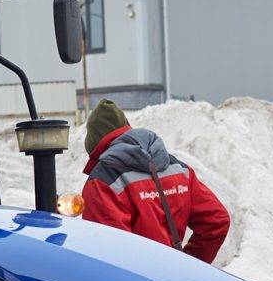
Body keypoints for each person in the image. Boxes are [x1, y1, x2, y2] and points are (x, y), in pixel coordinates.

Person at [79, 100, 230, 264]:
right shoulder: (178, 169)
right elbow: (216, 220)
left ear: (94, 143)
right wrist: (190, 266)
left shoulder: (103, 182)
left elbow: (111, 253)